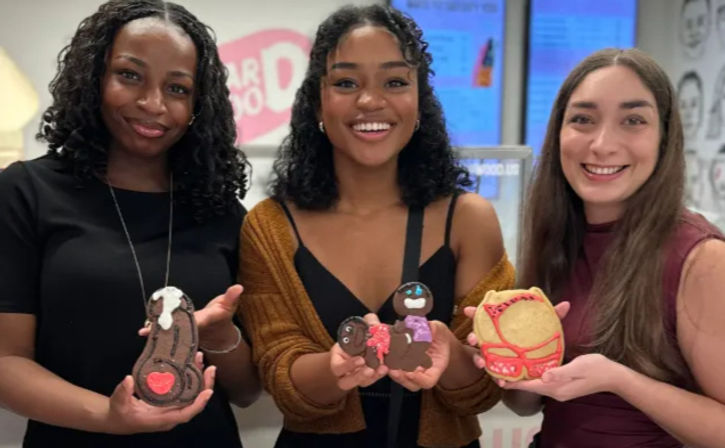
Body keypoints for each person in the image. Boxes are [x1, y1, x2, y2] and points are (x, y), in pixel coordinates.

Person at [237, 5, 513, 448]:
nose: (370, 100)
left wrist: (452, 354)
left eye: (395, 81)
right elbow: (276, 370)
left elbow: (485, 387)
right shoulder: (269, 227)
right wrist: (335, 368)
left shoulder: (468, 219)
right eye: (346, 82)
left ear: (420, 100)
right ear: (317, 103)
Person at [0, 1, 261, 447]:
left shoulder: (221, 212)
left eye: (178, 88)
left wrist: (221, 337)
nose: (153, 104)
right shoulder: (26, 193)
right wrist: (109, 416)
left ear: (199, 104)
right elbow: (6, 362)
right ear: (94, 79)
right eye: (130, 75)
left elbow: (246, 391)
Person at [466, 48, 725, 447]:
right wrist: (509, 360)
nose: (602, 144)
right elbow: (525, 404)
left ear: (665, 138)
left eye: (633, 121)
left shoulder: (702, 259)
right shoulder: (556, 238)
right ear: (558, 134)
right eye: (583, 120)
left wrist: (619, 380)